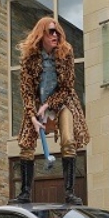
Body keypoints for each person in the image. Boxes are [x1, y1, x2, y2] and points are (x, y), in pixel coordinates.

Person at [11, 16, 90, 205]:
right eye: (51, 31)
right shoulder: (30, 57)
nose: (55, 35)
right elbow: (26, 90)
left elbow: (68, 87)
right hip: (37, 103)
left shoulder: (66, 52)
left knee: (68, 141)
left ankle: (70, 193)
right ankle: (25, 193)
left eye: (57, 31)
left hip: (63, 101)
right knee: (26, 144)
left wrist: (48, 105)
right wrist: (32, 116)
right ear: (41, 34)